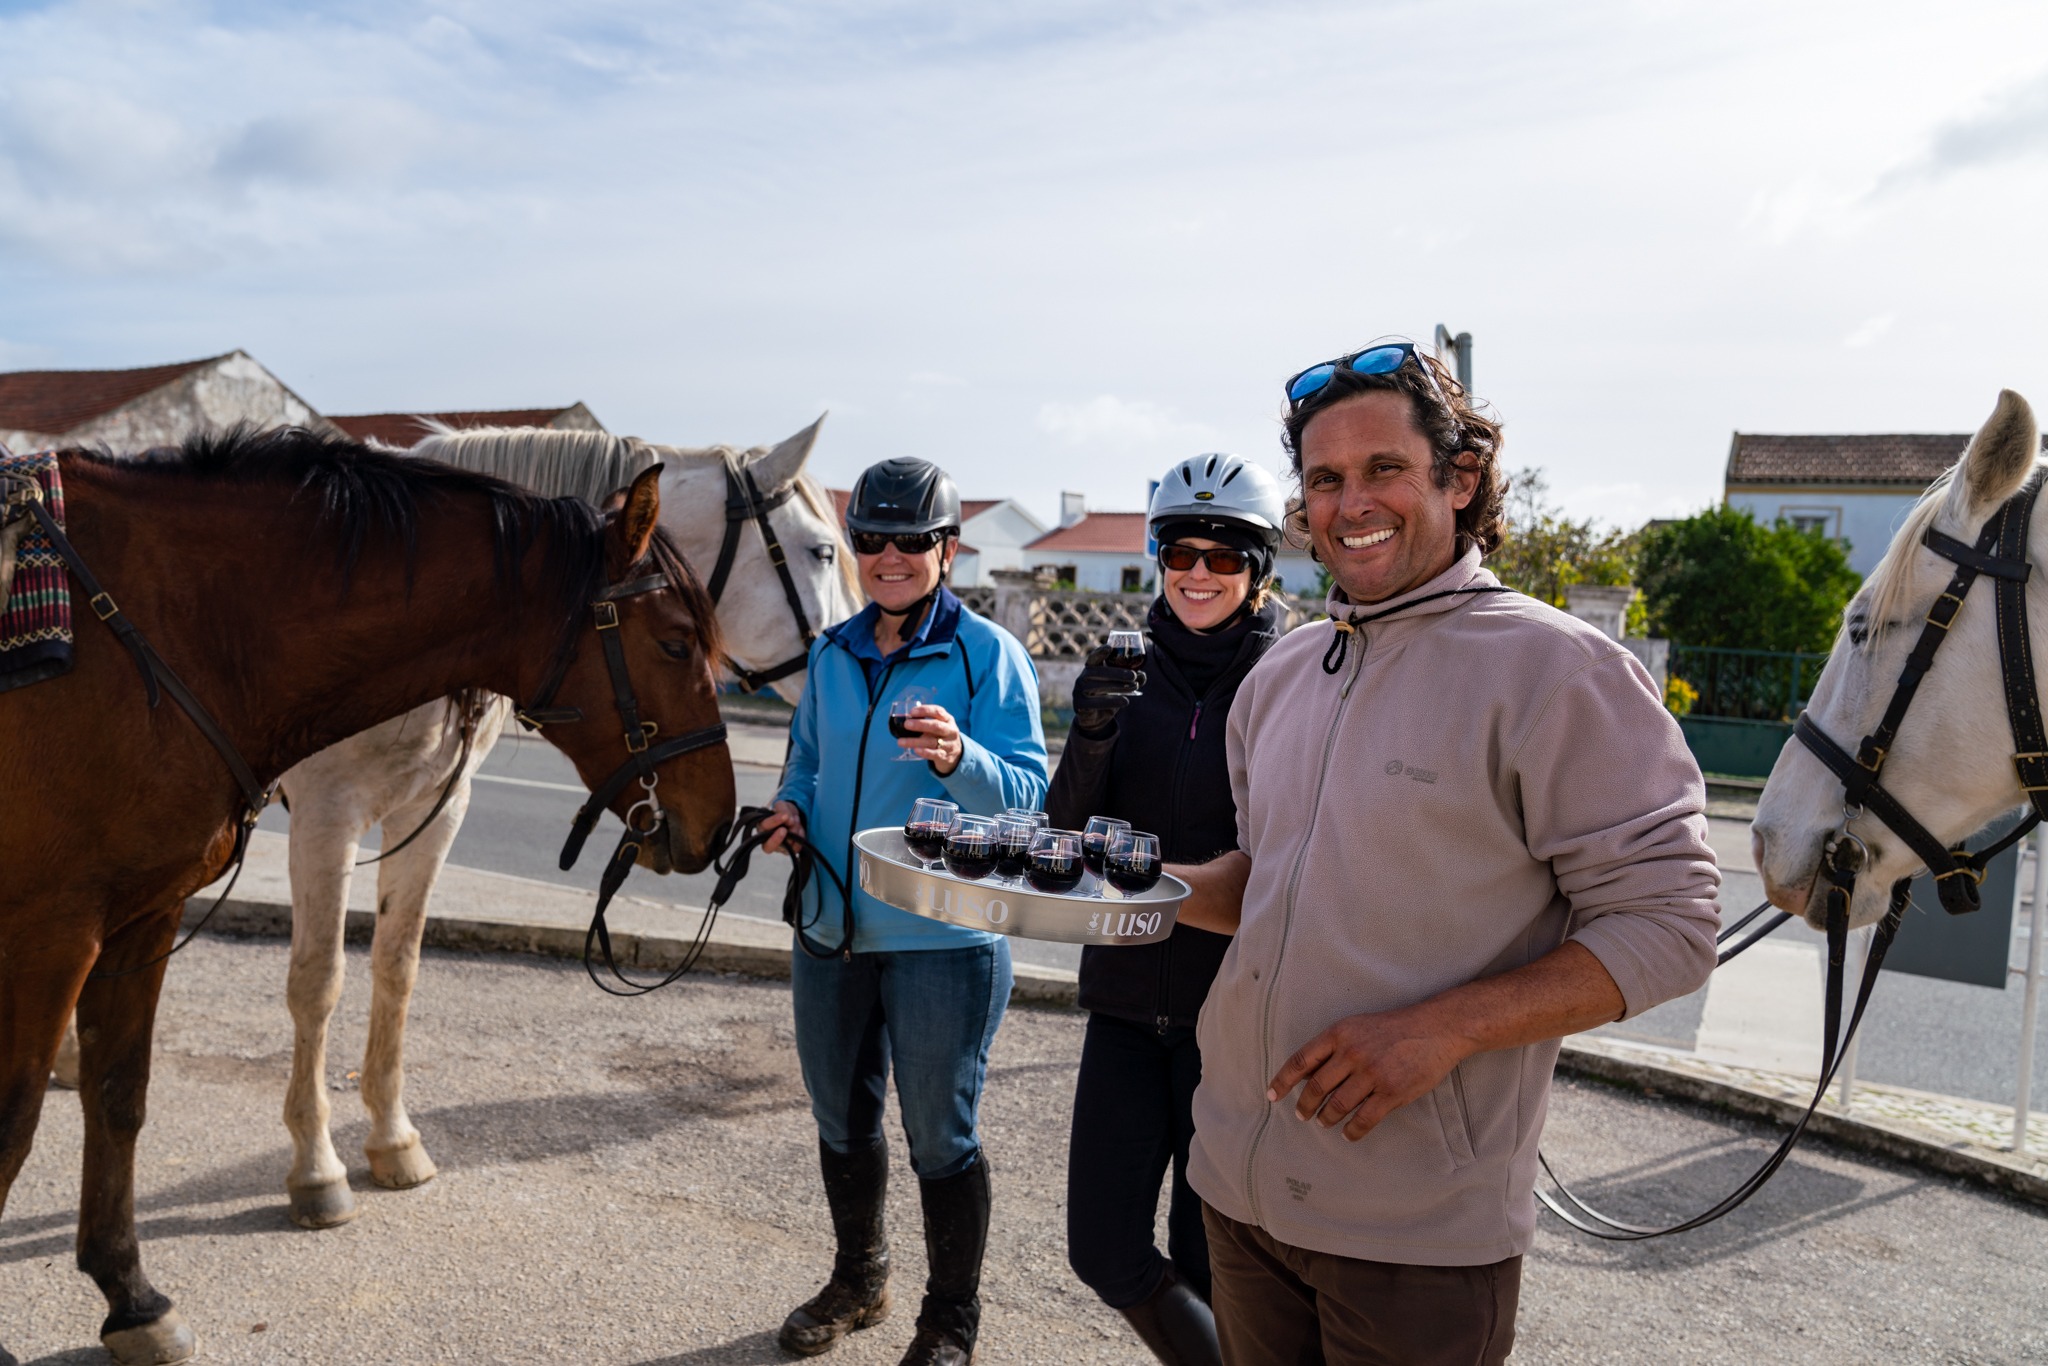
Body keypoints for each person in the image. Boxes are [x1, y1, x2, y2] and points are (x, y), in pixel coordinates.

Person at [1171, 342, 1720, 1365]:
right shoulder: (1280, 675)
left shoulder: (1559, 670)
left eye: (1382, 468)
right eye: (1324, 479)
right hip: (1237, 1195)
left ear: (1458, 478)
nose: (1350, 504)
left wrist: (1445, 1028)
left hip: (1415, 1235)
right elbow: (1270, 881)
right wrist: (1136, 888)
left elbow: (1672, 926)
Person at [760, 456, 1048, 1366]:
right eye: (873, 539)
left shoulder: (986, 654)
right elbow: (807, 762)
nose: (890, 556)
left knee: (939, 1136)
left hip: (944, 941)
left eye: (911, 541)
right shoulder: (832, 653)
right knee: (841, 1122)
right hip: (830, 929)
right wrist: (790, 809)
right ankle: (860, 1281)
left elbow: (1029, 801)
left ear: (947, 549)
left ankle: (950, 1321)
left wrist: (960, 757)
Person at [1046, 454, 1287, 1366]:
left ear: (1258, 569)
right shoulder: (1124, 669)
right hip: (1120, 1005)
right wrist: (1090, 733)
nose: (1197, 573)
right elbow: (1064, 837)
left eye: (1223, 557)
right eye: (1180, 553)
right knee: (1101, 1248)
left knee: (1209, 1257)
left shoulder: (1290, 678)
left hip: (1230, 1020)